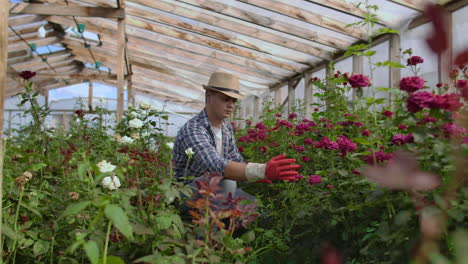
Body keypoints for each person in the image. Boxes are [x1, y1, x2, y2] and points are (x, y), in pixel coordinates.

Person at [172, 71, 300, 203]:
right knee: (228, 187)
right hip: (184, 193)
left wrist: (257, 174)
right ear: (208, 96)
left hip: (213, 190)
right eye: (225, 99)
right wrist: (260, 170)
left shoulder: (225, 127)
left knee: (255, 207)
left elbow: (235, 159)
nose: (231, 105)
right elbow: (215, 165)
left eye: (234, 100)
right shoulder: (193, 129)